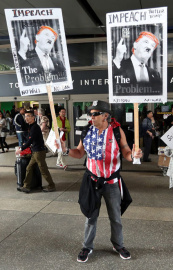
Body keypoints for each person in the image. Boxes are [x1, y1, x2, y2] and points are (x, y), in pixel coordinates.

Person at [57, 100, 142, 262]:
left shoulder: (117, 131)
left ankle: (118, 244)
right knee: (90, 216)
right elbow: (79, 153)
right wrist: (66, 149)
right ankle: (87, 246)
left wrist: (134, 156)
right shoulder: (87, 130)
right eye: (90, 114)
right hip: (92, 180)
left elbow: (126, 152)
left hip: (112, 182)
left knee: (115, 217)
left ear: (105, 116)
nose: (91, 117)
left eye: (95, 114)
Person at [15, 110, 56, 193]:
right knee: (29, 168)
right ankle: (26, 186)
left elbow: (31, 140)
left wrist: (21, 148)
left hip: (39, 152)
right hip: (35, 151)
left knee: (43, 170)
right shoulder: (31, 126)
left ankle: (51, 185)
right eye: (25, 116)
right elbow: (30, 138)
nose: (26, 118)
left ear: (33, 117)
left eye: (28, 116)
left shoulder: (35, 127)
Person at [112, 31, 161, 95]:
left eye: (152, 46)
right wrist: (118, 58)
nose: (149, 48)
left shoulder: (155, 74)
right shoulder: (119, 65)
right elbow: (112, 84)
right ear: (135, 45)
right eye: (146, 42)